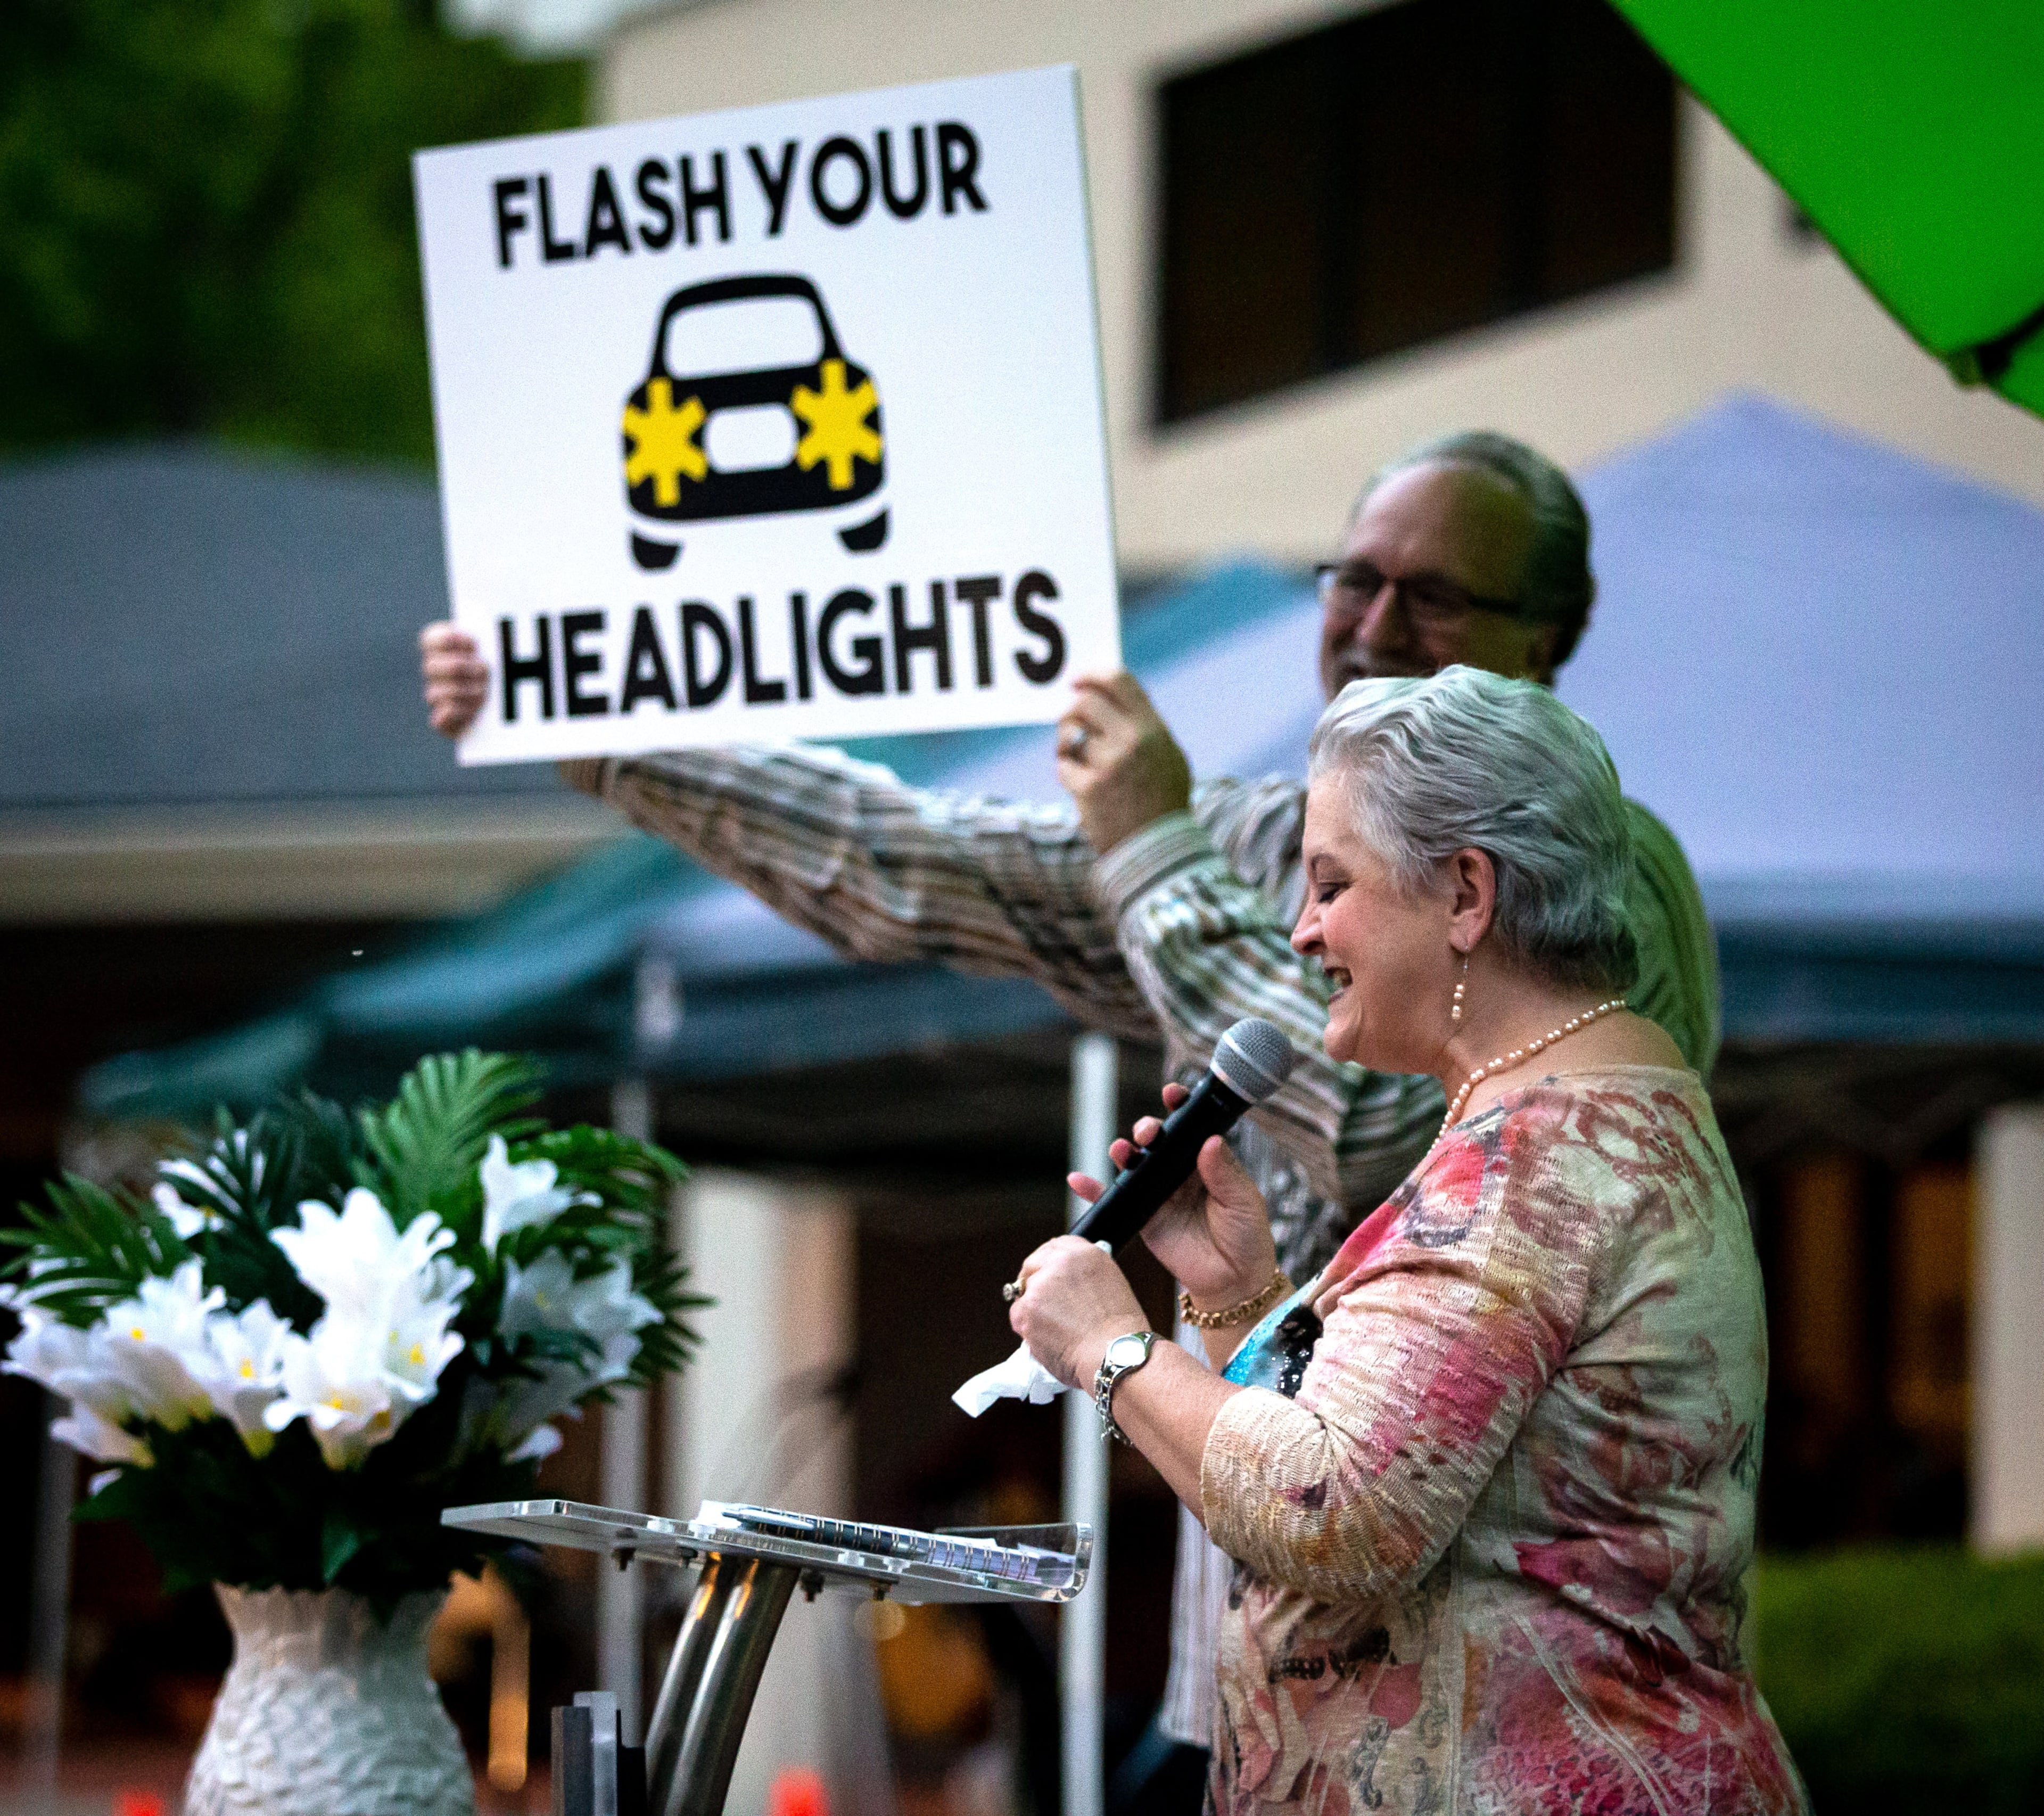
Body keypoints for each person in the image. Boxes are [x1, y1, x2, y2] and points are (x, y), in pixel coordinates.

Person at [418, 431, 1720, 1793]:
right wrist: (597, 728)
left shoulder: (1599, 888)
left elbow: (1379, 1131)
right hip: (1262, 1682)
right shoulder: (1267, 835)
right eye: (1355, 577)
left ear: (1469, 895)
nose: (1378, 623)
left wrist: (1109, 1347)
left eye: (1436, 594)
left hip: (1498, 1722)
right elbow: (909, 860)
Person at [1007, 668, 1805, 1816]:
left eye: (1330, 883)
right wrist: (1237, 1299)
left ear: (1466, 893)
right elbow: (1408, 1464)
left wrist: (1115, 1349)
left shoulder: (1532, 1158)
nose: (1301, 927)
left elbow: (1331, 1510)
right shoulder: (1579, 1112)